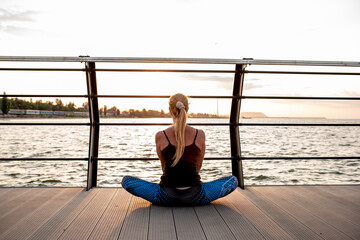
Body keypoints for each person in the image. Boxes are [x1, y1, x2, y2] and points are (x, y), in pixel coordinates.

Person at [121, 93, 238, 206]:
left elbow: (163, 167)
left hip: (165, 197)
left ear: (170, 110)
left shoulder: (160, 135)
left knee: (127, 181)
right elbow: (198, 167)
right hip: (197, 196)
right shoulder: (200, 134)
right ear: (187, 109)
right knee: (233, 180)